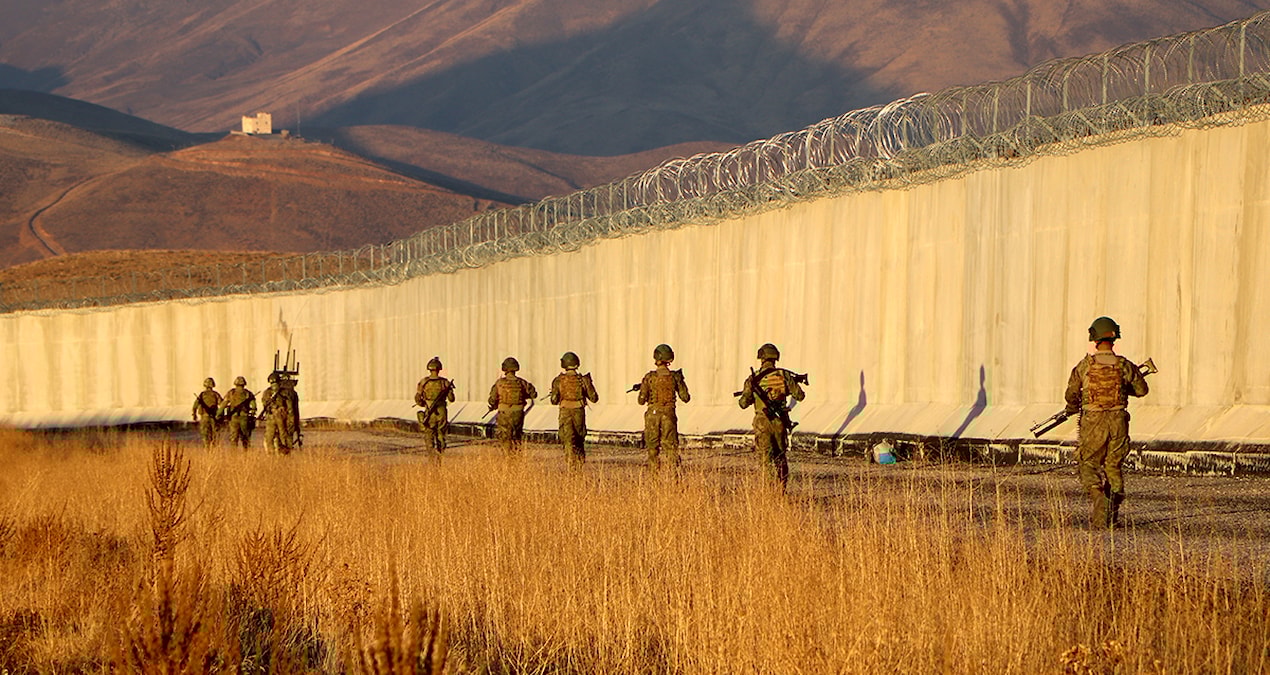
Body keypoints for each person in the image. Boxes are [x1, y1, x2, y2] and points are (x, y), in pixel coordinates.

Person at [1063, 316, 1150, 528]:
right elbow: (1142, 390)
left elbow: (1072, 393)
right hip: (1118, 421)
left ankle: (1098, 498)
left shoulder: (1085, 366)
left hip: (1093, 421)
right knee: (1113, 465)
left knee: (1089, 463)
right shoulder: (1124, 365)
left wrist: (1072, 408)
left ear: (1094, 338)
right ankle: (1112, 514)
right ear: (1114, 339)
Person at [737, 343, 806, 488]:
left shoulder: (753, 378)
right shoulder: (784, 375)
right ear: (775, 357)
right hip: (779, 422)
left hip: (762, 423)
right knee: (780, 458)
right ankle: (781, 490)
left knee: (765, 460)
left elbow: (743, 403)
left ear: (761, 357)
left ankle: (769, 493)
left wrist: (749, 395)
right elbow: (800, 396)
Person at [637, 344, 691, 472]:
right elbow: (685, 397)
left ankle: (654, 480)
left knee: (652, 450)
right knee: (671, 449)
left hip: (652, 417)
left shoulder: (649, 377)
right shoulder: (675, 377)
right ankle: (674, 480)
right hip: (669, 416)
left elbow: (641, 400)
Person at [550, 351, 599, 467]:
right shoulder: (583, 380)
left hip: (565, 413)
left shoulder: (558, 380)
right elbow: (594, 398)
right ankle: (579, 466)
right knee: (579, 440)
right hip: (579, 413)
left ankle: (571, 466)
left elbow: (553, 401)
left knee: (568, 441)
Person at [487, 357, 537, 455]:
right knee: (516, 436)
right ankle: (516, 458)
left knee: (505, 437)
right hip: (518, 413)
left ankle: (507, 458)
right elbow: (534, 394)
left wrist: (494, 405)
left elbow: (492, 399)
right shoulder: (522, 382)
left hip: (504, 414)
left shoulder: (499, 383)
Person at [415, 356, 456, 454]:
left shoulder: (424, 382)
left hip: (429, 410)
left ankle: (432, 455)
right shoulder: (445, 382)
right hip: (441, 412)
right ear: (439, 369)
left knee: (429, 433)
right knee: (441, 433)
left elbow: (417, 399)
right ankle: (440, 453)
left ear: (429, 369)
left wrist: (425, 404)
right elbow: (452, 399)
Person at [259, 372, 293, 454]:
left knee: (282, 435)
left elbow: (289, 407)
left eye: (275, 382)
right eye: (272, 383)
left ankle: (283, 453)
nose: (274, 385)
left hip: (280, 416)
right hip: (272, 416)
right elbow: (265, 404)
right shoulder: (268, 393)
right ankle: (272, 453)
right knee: (271, 436)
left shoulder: (284, 392)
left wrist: (290, 419)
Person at [219, 376, 257, 449]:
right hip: (244, 418)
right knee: (245, 438)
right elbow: (254, 406)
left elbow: (223, 405)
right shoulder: (248, 393)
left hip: (234, 418)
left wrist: (218, 415)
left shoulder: (231, 393)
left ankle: (234, 455)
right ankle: (246, 455)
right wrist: (252, 414)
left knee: (234, 438)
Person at [191, 377, 223, 448]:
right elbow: (222, 404)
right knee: (214, 435)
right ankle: (213, 449)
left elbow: (195, 405)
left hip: (204, 417)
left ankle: (207, 449)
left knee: (205, 435)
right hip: (213, 418)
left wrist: (194, 414)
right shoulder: (215, 394)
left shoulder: (202, 395)